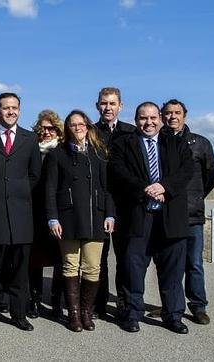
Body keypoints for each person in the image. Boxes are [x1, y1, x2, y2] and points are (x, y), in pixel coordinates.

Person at [110, 102, 193, 334]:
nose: (149, 122)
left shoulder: (176, 143)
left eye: (153, 118)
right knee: (133, 268)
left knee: (172, 271)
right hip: (138, 216)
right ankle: (132, 313)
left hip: (170, 218)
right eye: (143, 118)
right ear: (136, 120)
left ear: (160, 119)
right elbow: (118, 173)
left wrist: (164, 187)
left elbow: (186, 171)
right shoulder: (123, 144)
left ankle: (173, 315)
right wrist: (145, 188)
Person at [0, 93, 42, 333]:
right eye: (6, 108)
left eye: (14, 108)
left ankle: (19, 314)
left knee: (20, 271)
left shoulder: (30, 138)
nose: (10, 112)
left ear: (20, 110)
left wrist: (18, 191)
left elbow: (35, 174)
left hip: (21, 214)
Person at [45, 110, 115, 332]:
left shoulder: (99, 153)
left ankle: (86, 311)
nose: (77, 128)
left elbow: (108, 188)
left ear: (87, 126)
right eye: (72, 125)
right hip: (68, 218)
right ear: (67, 128)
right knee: (70, 265)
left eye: (81, 124)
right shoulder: (58, 154)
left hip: (96, 217)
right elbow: (49, 189)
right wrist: (52, 218)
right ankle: (73, 314)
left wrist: (110, 214)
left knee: (93, 267)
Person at [162, 99, 214, 325]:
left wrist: (195, 198)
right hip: (166, 213)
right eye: (168, 113)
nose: (172, 117)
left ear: (185, 115)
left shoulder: (200, 143)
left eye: (177, 113)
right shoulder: (158, 141)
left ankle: (198, 305)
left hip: (192, 214)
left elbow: (210, 176)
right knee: (169, 263)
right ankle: (171, 305)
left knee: (194, 262)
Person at [93, 87, 136, 318]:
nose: (107, 108)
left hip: (124, 203)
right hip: (98, 201)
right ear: (97, 106)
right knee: (100, 258)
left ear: (121, 106)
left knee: (125, 257)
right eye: (103, 103)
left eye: (112, 103)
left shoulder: (131, 132)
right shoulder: (90, 132)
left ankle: (123, 302)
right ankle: (98, 303)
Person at [27, 110, 65, 319]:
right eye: (42, 128)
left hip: (58, 213)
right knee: (34, 260)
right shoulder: (32, 149)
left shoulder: (62, 150)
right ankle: (34, 299)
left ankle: (57, 302)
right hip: (34, 212)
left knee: (59, 259)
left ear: (58, 130)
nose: (46, 132)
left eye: (51, 128)